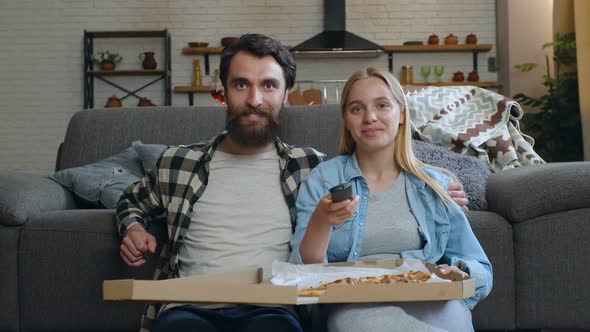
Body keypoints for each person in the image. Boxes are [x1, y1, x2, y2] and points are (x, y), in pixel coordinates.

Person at [116, 34, 470, 332]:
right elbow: (131, 200)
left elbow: (380, 160)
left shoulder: (311, 167)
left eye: (268, 85)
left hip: (272, 308)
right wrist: (132, 226)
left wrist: (444, 184)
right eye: (242, 84)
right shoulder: (178, 163)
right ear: (222, 91)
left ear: (286, 95)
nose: (254, 100)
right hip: (187, 307)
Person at [289, 67, 493, 332]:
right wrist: (321, 223)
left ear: (402, 114)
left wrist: (460, 274)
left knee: (454, 318)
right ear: (346, 120)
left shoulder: (434, 184)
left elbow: (480, 266)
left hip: (430, 298)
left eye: (382, 105)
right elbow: (300, 275)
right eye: (357, 109)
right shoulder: (323, 181)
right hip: (355, 303)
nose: (370, 117)